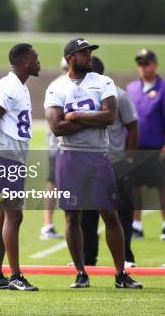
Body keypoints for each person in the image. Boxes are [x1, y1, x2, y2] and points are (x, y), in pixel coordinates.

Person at [45, 37, 141, 289]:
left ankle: (121, 273)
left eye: (89, 52)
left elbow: (109, 116)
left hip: (99, 155)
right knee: (71, 216)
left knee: (110, 213)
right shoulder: (57, 87)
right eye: (83, 53)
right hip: (68, 156)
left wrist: (74, 115)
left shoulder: (103, 82)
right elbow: (56, 126)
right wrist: (91, 117)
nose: (89, 56)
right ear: (70, 58)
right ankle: (80, 272)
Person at [0, 43, 41, 291]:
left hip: (11, 157)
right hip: (4, 157)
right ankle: (15, 275)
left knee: (5, 215)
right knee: (14, 215)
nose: (39, 62)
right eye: (35, 58)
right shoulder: (8, 85)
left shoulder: (20, 86)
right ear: (25, 60)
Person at [80, 56, 138, 267]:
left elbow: (132, 126)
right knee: (87, 213)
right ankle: (87, 259)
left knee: (121, 212)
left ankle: (127, 258)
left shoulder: (119, 95)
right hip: (89, 161)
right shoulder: (78, 95)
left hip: (116, 161)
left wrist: (130, 158)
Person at [126, 49, 165, 241]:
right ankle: (137, 225)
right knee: (134, 186)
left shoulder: (163, 88)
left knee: (162, 186)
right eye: (140, 63)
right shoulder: (132, 88)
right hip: (135, 147)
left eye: (146, 63)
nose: (143, 67)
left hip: (156, 148)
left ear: (154, 65)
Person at [41, 57, 67, 240]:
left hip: (57, 144)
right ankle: (48, 224)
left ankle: (48, 224)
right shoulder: (60, 86)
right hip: (59, 143)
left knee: (54, 184)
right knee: (55, 184)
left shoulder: (56, 85)